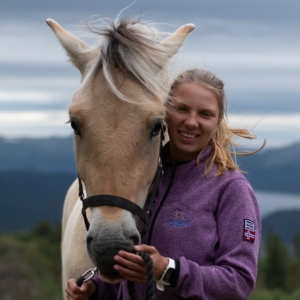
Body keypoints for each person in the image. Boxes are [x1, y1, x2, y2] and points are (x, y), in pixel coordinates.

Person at [65, 68, 264, 300]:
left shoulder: (231, 189)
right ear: (166, 113)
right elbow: (133, 275)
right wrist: (97, 289)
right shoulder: (146, 183)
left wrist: (169, 270)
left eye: (205, 114)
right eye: (182, 109)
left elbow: (239, 281)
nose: (191, 122)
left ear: (218, 122)